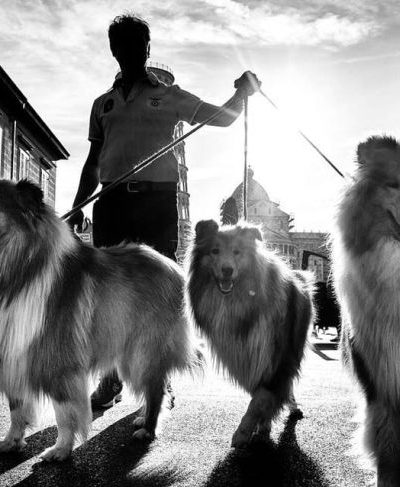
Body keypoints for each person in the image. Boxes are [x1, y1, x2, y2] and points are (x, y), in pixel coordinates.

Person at [66, 14, 259, 408]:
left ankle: (157, 374)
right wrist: (76, 206)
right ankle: (111, 378)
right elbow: (92, 161)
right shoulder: (102, 104)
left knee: (159, 290)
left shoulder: (169, 96)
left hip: (156, 200)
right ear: (114, 51)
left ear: (148, 49)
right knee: (108, 293)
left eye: (138, 45)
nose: (131, 52)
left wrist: (242, 96)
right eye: (123, 46)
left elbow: (219, 118)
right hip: (112, 201)